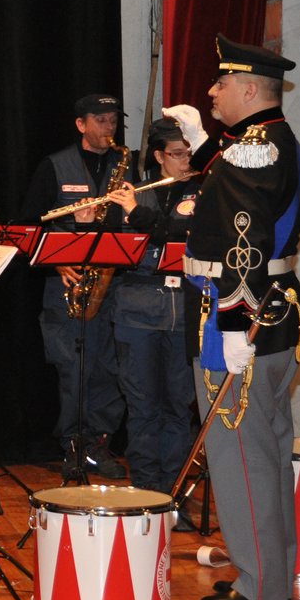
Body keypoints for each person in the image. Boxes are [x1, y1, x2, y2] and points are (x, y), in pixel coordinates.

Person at [169, 34, 300, 600]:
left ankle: (261, 585)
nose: (211, 91)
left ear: (248, 88)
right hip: (274, 317)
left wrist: (231, 328)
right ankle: (273, 570)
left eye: (220, 83)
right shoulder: (268, 142)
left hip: (237, 320)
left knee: (240, 455)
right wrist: (204, 145)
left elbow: (243, 242)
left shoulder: (256, 148)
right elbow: (237, 192)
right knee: (270, 449)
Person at [17, 94, 133, 481]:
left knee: (110, 369)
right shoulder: (54, 166)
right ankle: (72, 446)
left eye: (113, 121)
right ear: (81, 125)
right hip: (66, 285)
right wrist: (57, 259)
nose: (109, 128)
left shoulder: (125, 166)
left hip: (112, 287)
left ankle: (99, 442)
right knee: (73, 371)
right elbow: (29, 227)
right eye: (100, 120)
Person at [104, 118, 201, 500]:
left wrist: (137, 214)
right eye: (178, 154)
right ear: (160, 156)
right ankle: (145, 489)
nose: (186, 160)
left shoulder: (204, 191)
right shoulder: (134, 191)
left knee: (178, 405)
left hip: (183, 313)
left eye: (190, 153)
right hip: (135, 313)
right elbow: (110, 246)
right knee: (142, 403)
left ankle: (175, 490)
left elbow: (179, 232)